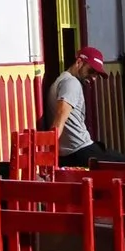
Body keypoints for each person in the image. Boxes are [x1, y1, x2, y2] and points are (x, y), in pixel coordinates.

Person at [41, 33, 95, 166]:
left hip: (74, 151)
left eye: (96, 75)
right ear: (79, 63)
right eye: (91, 71)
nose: (93, 77)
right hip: (80, 149)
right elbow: (59, 119)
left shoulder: (61, 80)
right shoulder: (71, 83)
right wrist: (49, 158)